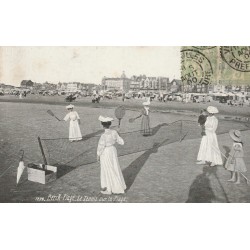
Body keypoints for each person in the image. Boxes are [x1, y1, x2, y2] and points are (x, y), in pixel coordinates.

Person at [97, 116, 126, 195]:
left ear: (102, 125)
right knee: (114, 167)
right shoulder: (114, 132)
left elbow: (101, 146)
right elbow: (121, 142)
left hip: (106, 152)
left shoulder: (103, 136)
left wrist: (98, 155)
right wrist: (119, 134)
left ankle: (109, 189)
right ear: (110, 124)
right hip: (113, 151)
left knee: (107, 168)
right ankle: (115, 186)